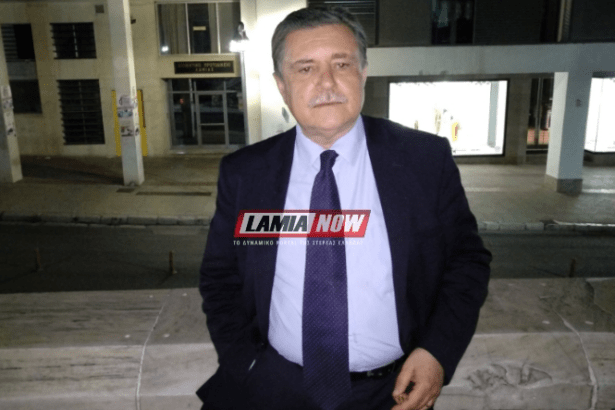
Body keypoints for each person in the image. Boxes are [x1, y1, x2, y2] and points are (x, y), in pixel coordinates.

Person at [197, 6, 491, 410]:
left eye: (341, 64)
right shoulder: (246, 174)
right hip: (273, 389)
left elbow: (467, 261)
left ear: (363, 73)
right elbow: (220, 276)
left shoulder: (424, 160)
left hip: (392, 393)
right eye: (305, 69)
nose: (327, 83)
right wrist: (244, 362)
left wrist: (437, 351)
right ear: (281, 85)